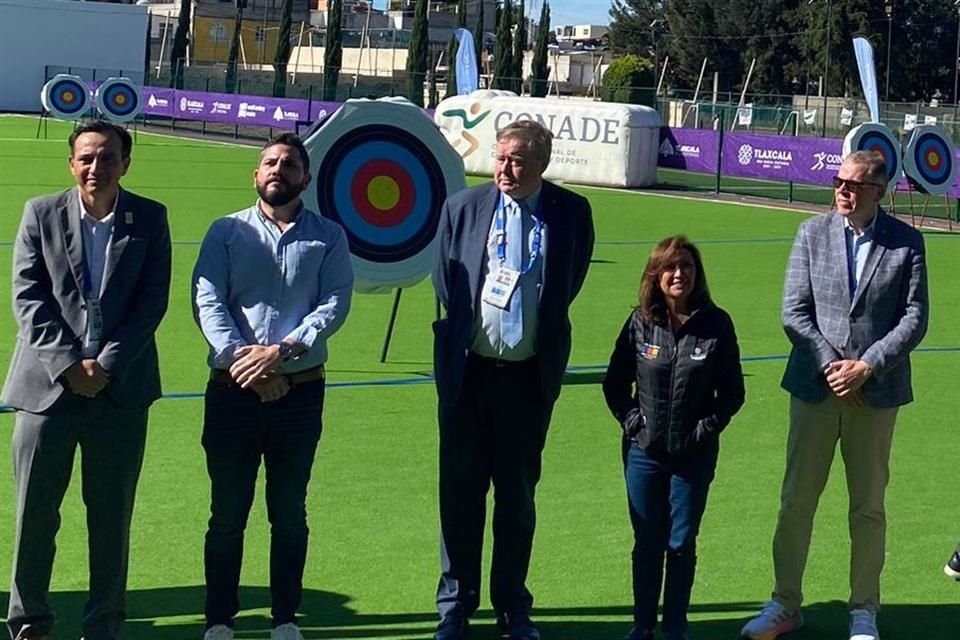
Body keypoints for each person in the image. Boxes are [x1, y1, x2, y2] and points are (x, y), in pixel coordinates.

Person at [741, 150, 928, 640]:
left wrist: (867, 366)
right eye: (838, 182)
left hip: (876, 393)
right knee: (796, 501)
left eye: (853, 185)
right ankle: (785, 603)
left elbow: (914, 318)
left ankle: (863, 610)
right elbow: (793, 312)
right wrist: (832, 365)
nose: (842, 191)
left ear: (878, 192)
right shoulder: (811, 233)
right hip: (814, 388)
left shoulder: (907, 243)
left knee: (868, 507)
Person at [2, 119, 172, 640]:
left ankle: (103, 621)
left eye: (108, 157)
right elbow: (27, 297)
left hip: (120, 393)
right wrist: (69, 365)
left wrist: (109, 364)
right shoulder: (41, 212)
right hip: (46, 391)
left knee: (110, 515)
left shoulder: (150, 218)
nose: (96, 167)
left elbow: (151, 302)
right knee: (35, 515)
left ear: (126, 161)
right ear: (72, 162)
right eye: (87, 158)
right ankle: (30, 618)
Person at [430, 120, 595, 640]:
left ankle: (511, 606)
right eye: (501, 157)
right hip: (468, 375)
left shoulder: (571, 213)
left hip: (527, 379)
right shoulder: (462, 208)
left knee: (517, 498)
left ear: (542, 162)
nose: (507, 168)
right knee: (459, 495)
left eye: (519, 159)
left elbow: (569, 283)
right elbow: (445, 281)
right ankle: (454, 607)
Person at [192, 133, 354, 640]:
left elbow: (333, 304)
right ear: (255, 175)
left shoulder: (329, 237)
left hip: (299, 394)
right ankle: (220, 620)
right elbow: (207, 300)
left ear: (304, 178)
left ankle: (285, 618)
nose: (278, 169)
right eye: (269, 162)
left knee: (289, 514)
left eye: (289, 164)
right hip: (232, 392)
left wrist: (282, 352)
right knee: (227, 516)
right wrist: (249, 363)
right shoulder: (225, 233)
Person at [603, 235, 745, 640]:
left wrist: (702, 431)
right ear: (656, 275)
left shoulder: (716, 324)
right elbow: (614, 385)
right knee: (647, 539)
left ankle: (675, 625)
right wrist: (634, 424)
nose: (678, 273)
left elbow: (733, 394)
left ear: (697, 274)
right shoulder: (640, 323)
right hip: (643, 453)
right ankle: (643, 624)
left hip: (693, 457)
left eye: (686, 266)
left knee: (681, 541)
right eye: (670, 267)